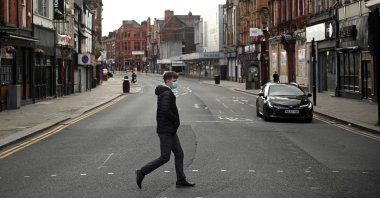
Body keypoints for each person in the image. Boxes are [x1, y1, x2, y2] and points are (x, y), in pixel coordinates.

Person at [135, 71, 195, 189]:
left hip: (170, 129)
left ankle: (181, 179)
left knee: (179, 154)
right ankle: (141, 172)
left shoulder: (165, 92)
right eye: (174, 81)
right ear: (168, 80)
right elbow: (165, 110)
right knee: (165, 157)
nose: (175, 83)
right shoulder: (166, 93)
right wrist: (175, 119)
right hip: (166, 129)